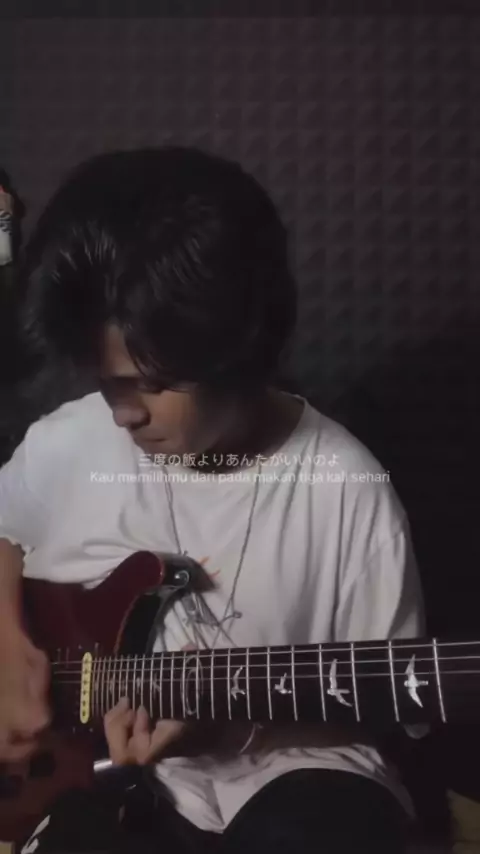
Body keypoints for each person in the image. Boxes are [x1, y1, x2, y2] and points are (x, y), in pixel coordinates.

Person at [0, 146, 424, 853]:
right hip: (95, 783)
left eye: (151, 384)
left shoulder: (348, 488)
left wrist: (228, 723)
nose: (123, 414)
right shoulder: (67, 442)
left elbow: (385, 707)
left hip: (297, 778)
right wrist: (8, 645)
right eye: (106, 382)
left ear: (240, 351)